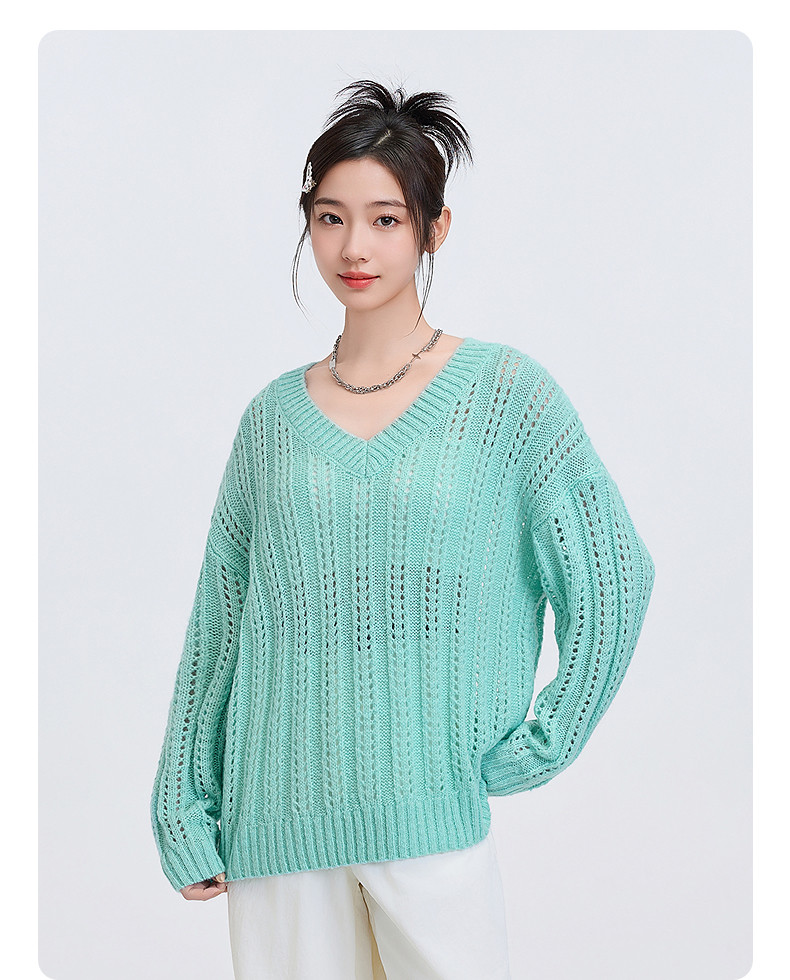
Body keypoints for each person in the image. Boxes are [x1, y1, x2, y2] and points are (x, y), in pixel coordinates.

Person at [150, 79, 656, 980]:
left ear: (434, 229)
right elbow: (221, 624)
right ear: (308, 225)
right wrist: (183, 803)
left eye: (386, 220)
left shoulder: (506, 397)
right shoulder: (271, 422)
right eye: (331, 218)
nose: (355, 246)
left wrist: (545, 741)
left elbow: (614, 575)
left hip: (431, 822)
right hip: (275, 829)